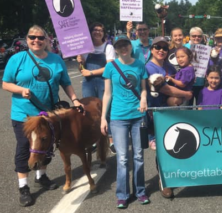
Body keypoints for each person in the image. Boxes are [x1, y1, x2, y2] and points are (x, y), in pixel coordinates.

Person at [2, 25, 83, 207]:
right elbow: (6, 84)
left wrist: (75, 100)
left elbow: (66, 83)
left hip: (48, 113)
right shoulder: (17, 59)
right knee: (24, 148)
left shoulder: (56, 60)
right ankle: (23, 187)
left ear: (47, 40)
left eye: (40, 38)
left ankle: (41, 175)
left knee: (46, 145)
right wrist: (21, 89)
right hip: (24, 114)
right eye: (32, 37)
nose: (36, 41)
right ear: (27, 39)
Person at [100, 35, 150, 209]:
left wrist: (144, 99)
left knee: (138, 156)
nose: (123, 49)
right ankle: (122, 194)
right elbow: (107, 94)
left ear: (131, 46)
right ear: (115, 48)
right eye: (119, 46)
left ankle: (140, 191)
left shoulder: (139, 65)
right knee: (122, 158)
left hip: (138, 115)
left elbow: (143, 89)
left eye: (125, 45)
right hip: (118, 117)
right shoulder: (110, 67)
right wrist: (102, 118)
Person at [145, 36, 192, 198]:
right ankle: (164, 180)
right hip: (158, 113)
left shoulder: (170, 67)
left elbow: (181, 80)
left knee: (173, 145)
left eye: (165, 48)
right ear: (151, 49)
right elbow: (166, 89)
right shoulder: (149, 67)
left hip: (173, 112)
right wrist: (186, 94)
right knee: (163, 149)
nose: (161, 50)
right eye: (157, 47)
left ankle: (175, 174)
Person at [77, 22, 116, 153]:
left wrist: (91, 72)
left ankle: (110, 139)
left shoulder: (108, 47)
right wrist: (80, 63)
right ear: (91, 32)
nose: (97, 32)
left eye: (100, 30)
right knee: (89, 111)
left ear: (104, 33)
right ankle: (94, 140)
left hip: (104, 81)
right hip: (88, 82)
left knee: (106, 110)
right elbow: (81, 70)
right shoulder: (85, 48)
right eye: (95, 30)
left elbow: (110, 67)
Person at [185, 27, 206, 105]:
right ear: (190, 36)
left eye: (199, 36)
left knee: (200, 107)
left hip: (201, 83)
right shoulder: (184, 48)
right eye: (194, 36)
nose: (196, 38)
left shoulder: (205, 49)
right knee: (187, 108)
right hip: (187, 83)